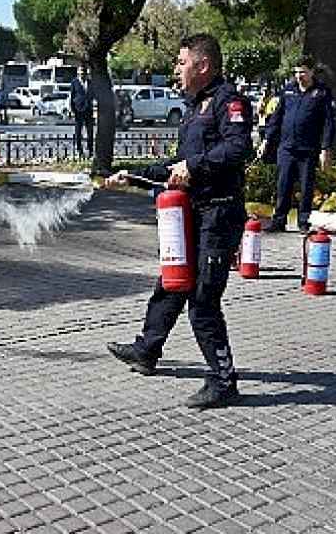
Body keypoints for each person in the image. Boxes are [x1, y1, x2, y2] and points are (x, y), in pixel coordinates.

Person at [103, 33, 254, 409]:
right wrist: (134, 175)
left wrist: (195, 165)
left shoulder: (227, 101)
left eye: (181, 61)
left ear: (203, 65)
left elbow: (238, 149)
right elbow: (176, 166)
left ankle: (223, 380)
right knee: (172, 283)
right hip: (191, 212)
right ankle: (147, 350)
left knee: (203, 300)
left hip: (218, 214)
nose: (176, 68)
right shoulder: (194, 106)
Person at [258, 56, 335, 233]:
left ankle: (303, 221)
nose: (299, 76)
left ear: (312, 72)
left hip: (308, 148)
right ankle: (279, 220)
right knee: (283, 184)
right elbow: (276, 118)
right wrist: (266, 140)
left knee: (306, 186)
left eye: (303, 72)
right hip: (286, 147)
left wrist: (325, 148)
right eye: (297, 72)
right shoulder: (288, 90)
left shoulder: (322, 93)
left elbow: (329, 123)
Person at [70, 67, 94, 157]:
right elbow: (72, 96)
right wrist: (72, 109)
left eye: (83, 73)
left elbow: (93, 95)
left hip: (88, 109)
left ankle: (90, 149)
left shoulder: (90, 82)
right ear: (78, 73)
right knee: (78, 131)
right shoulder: (74, 82)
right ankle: (79, 150)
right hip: (78, 109)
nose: (82, 74)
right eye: (80, 73)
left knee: (90, 131)